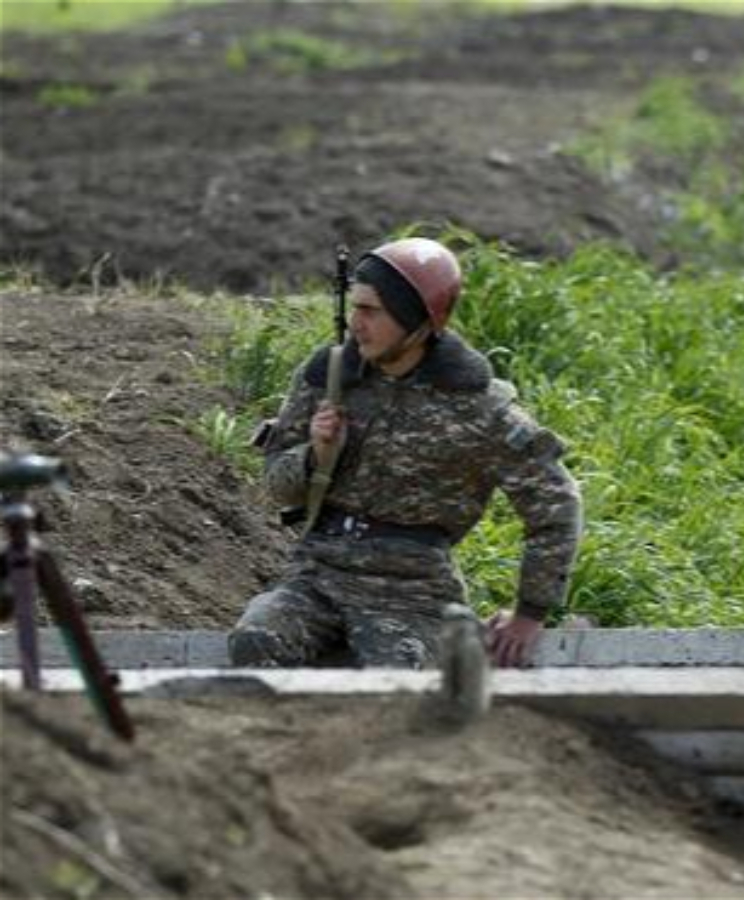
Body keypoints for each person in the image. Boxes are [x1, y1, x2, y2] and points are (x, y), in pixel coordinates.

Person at [228, 237, 582, 670]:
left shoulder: (478, 405)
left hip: (413, 592)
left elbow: (555, 504)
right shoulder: (331, 377)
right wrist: (316, 455)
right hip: (317, 575)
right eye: (354, 307)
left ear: (418, 321)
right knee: (254, 641)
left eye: (372, 310)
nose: (356, 323)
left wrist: (530, 613)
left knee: (395, 679)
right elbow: (277, 489)